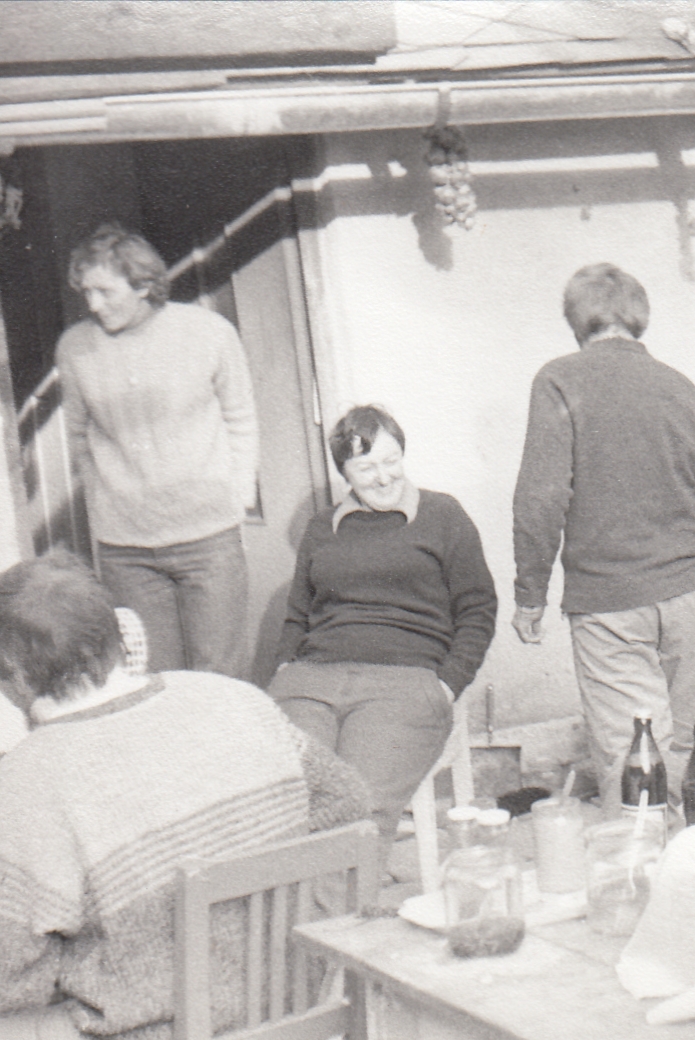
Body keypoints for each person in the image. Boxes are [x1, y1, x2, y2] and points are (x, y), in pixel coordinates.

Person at [0, 555, 369, 1040]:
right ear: (116, 634)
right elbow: (347, 800)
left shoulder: (25, 780)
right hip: (295, 1002)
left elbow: (13, 982)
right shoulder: (235, 698)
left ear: (16, 675)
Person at [512, 263, 695, 810]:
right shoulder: (678, 386)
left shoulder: (558, 380)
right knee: (683, 746)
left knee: (632, 760)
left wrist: (530, 595)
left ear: (576, 320)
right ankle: (688, 850)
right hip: (691, 595)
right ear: (638, 316)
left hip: (611, 603)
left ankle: (641, 856)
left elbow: (540, 498)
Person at [270, 405, 496, 857]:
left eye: (391, 461)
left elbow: (477, 608)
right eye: (366, 467)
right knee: (283, 802)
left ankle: (336, 902)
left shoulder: (443, 514)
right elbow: (298, 615)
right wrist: (283, 671)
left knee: (359, 812)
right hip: (311, 681)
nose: (383, 477)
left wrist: (448, 684)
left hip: (403, 682)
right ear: (345, 474)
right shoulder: (322, 527)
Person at [57, 223, 258, 678]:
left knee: (221, 676)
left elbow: (241, 419)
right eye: (86, 292)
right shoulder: (75, 348)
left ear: (144, 285)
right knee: (154, 679)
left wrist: (237, 496)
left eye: (105, 292)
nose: (93, 305)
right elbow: (77, 436)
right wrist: (105, 505)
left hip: (208, 538)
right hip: (126, 549)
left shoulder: (208, 332)